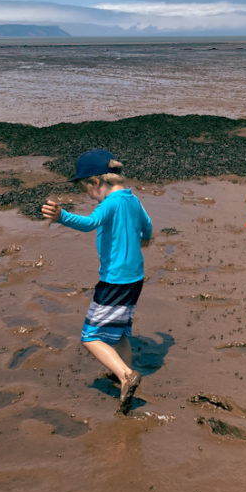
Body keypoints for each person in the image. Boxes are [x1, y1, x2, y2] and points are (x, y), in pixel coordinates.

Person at [41, 148, 153, 415]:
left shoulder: (110, 203)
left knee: (91, 336)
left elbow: (91, 222)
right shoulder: (132, 199)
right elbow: (147, 224)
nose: (87, 196)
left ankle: (125, 375)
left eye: (85, 190)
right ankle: (120, 373)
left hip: (114, 280)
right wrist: (145, 237)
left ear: (96, 182)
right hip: (134, 278)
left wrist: (61, 217)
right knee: (121, 331)